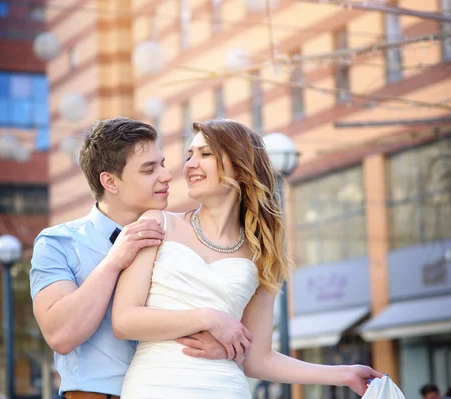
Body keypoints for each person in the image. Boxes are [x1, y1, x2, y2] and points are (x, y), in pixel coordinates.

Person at [112, 119, 383, 398]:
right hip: (154, 387)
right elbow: (124, 321)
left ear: (240, 166)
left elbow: (258, 359)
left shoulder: (262, 255)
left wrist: (344, 374)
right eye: (190, 155)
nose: (191, 164)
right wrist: (209, 318)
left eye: (206, 154)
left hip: (224, 388)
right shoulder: (158, 223)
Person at [30, 117, 251, 399]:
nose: (166, 175)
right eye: (149, 169)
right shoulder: (58, 243)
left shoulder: (180, 238)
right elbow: (61, 335)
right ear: (110, 182)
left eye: (162, 163)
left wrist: (226, 348)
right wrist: (114, 261)